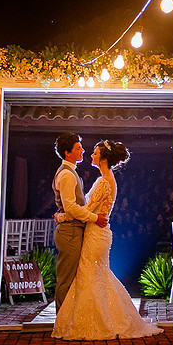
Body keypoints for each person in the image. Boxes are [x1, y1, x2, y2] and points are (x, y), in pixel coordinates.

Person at [52, 140, 163, 340]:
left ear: (103, 158)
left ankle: (95, 321)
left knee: (89, 276)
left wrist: (61, 216)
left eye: (94, 153)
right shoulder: (107, 179)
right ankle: (105, 317)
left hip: (96, 232)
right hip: (99, 232)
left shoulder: (104, 182)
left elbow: (85, 210)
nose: (90, 155)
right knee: (98, 276)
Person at [52, 132, 107, 311]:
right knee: (66, 279)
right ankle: (62, 321)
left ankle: (68, 318)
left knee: (71, 278)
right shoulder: (67, 175)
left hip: (73, 229)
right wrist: (94, 218)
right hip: (69, 232)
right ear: (67, 153)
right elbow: (71, 208)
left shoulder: (70, 173)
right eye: (78, 148)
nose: (83, 150)